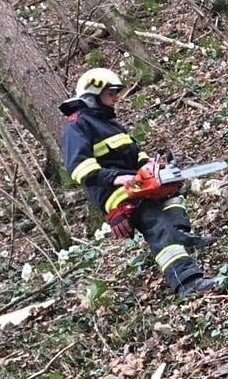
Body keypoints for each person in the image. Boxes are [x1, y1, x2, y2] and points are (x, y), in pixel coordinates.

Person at [60, 67, 219, 300]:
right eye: (111, 93)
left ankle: (182, 235)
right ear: (93, 95)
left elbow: (136, 154)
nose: (116, 98)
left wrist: (153, 167)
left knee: (172, 195)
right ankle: (187, 281)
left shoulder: (112, 125)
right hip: (119, 194)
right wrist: (116, 178)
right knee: (159, 223)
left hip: (139, 185)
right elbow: (79, 168)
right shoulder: (77, 127)